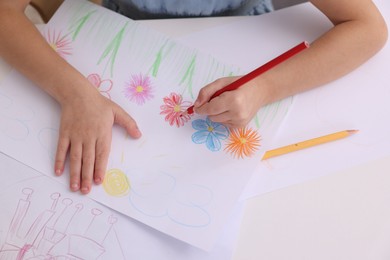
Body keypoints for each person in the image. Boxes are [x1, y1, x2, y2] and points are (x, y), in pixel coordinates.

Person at [0, 0, 387, 194]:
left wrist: (266, 86)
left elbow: (368, 27)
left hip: (242, 33)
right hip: (120, 32)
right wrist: (75, 94)